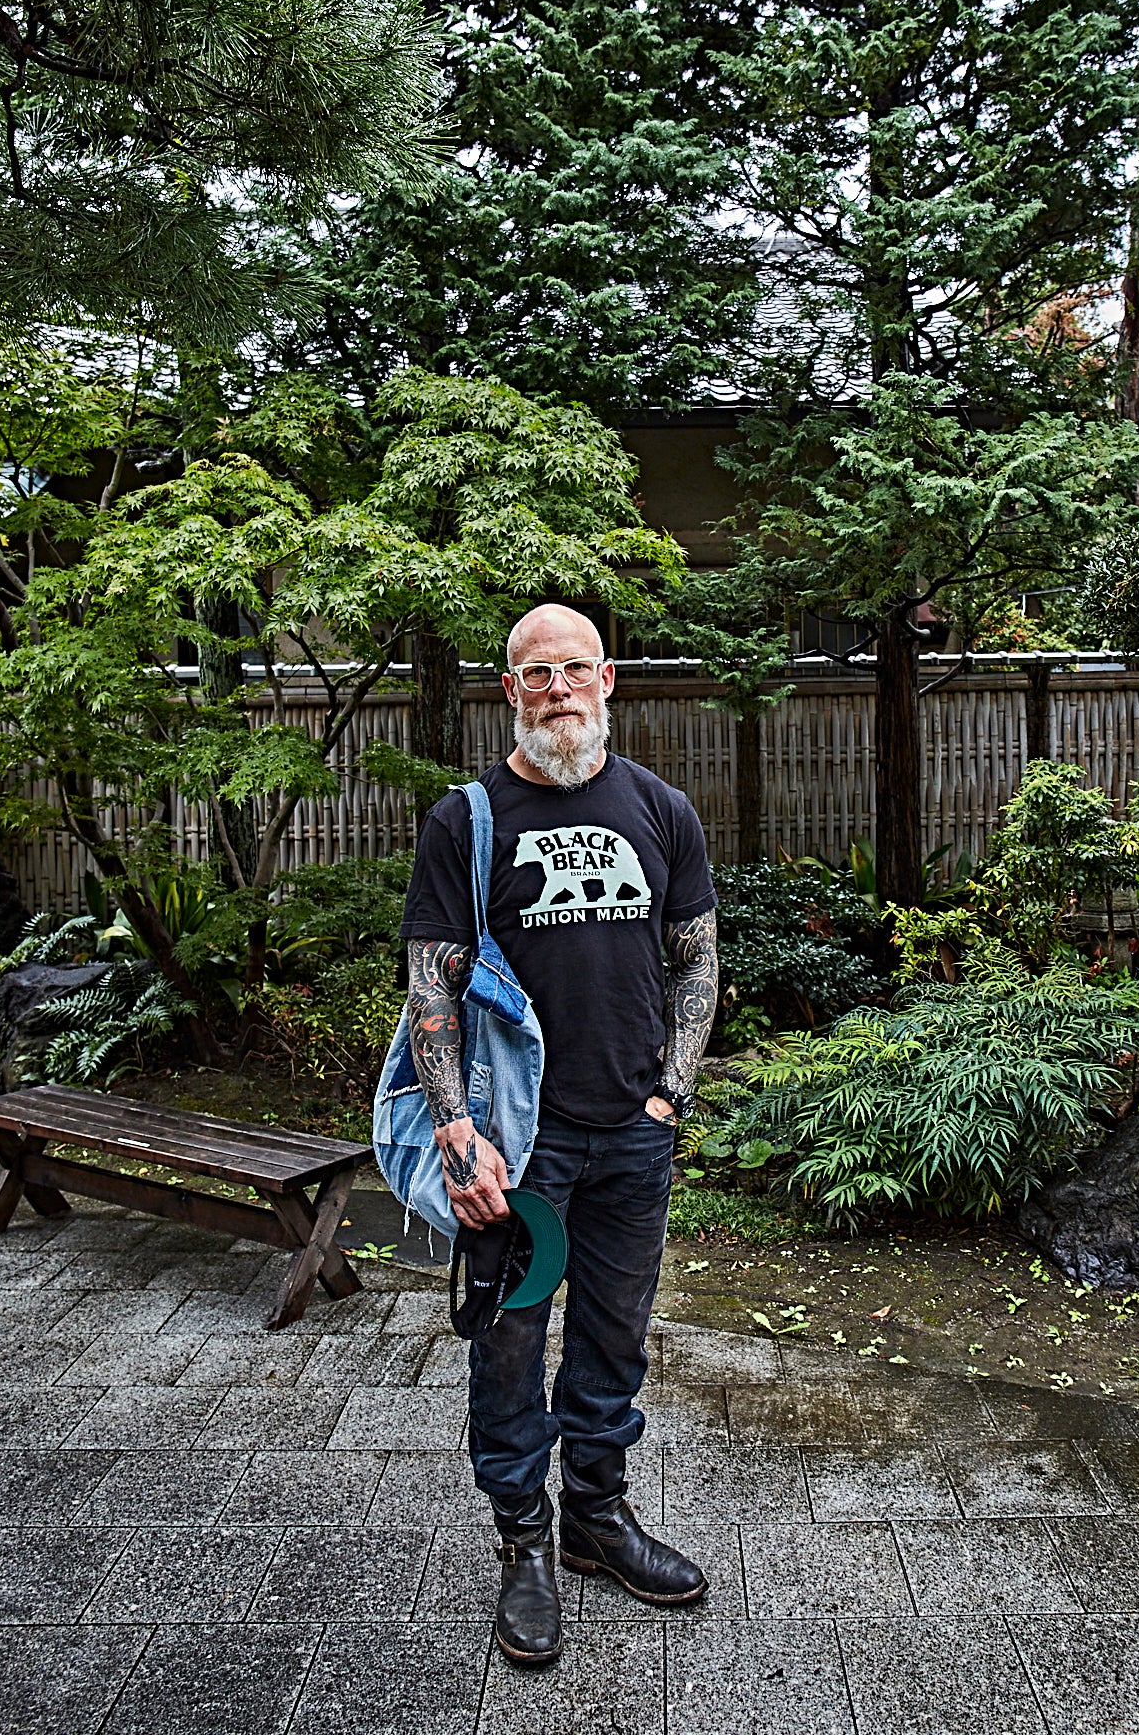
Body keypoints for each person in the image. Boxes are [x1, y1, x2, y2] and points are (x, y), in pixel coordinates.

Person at [400, 603, 720, 1666]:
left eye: (574, 669)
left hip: (632, 1140)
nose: (557, 690)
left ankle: (595, 1516)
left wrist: (669, 1097)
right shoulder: (466, 821)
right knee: (508, 1347)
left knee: (615, 1339)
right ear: (510, 692)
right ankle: (522, 1541)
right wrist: (457, 1133)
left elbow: (696, 958)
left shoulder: (661, 807)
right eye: (535, 674)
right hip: (518, 1152)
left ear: (607, 679)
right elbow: (429, 985)